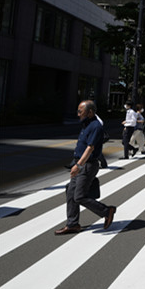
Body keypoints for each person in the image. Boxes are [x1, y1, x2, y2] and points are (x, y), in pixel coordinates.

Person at [55, 100, 116, 235]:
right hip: (80, 163)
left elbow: (90, 148)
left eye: (80, 111)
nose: (78, 114)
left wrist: (78, 165)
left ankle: (107, 211)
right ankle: (72, 224)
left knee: (79, 196)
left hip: (87, 165)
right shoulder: (86, 124)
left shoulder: (95, 126)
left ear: (89, 112)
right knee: (71, 193)